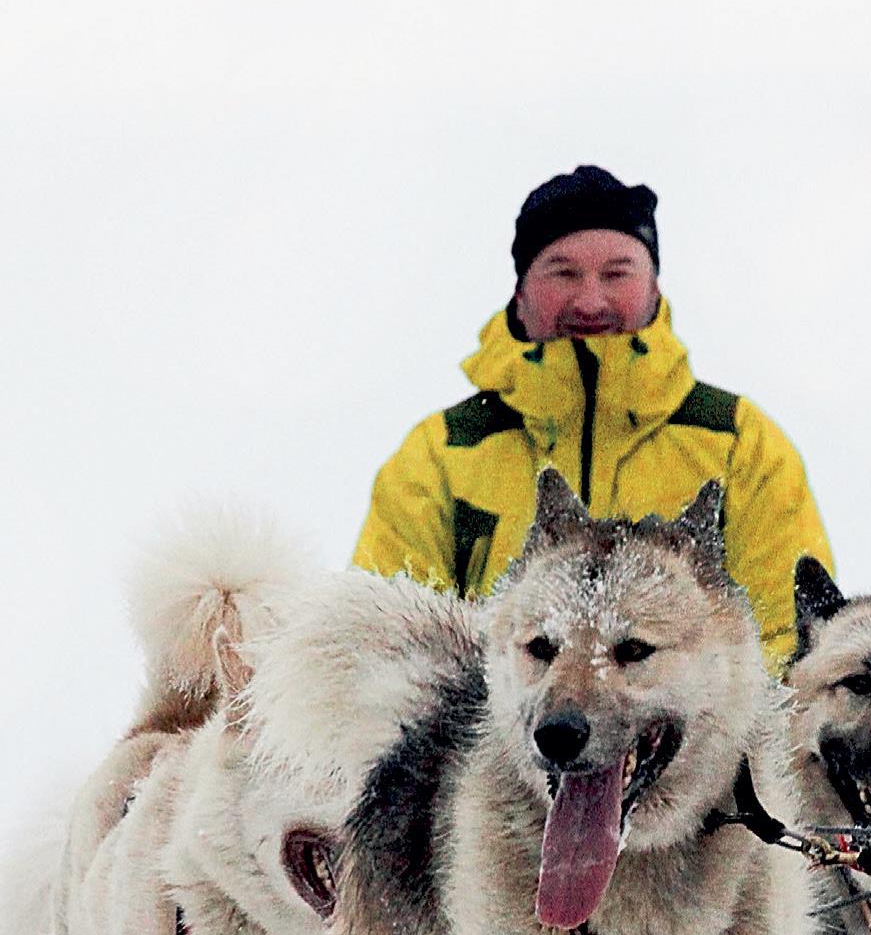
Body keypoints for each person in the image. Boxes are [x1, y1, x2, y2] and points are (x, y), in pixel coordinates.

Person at [352, 166, 833, 669]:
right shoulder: (443, 453)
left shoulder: (739, 442)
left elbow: (790, 644)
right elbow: (381, 640)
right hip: (488, 739)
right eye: (562, 272)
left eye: (616, 273)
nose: (589, 300)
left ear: (654, 289)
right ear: (521, 291)